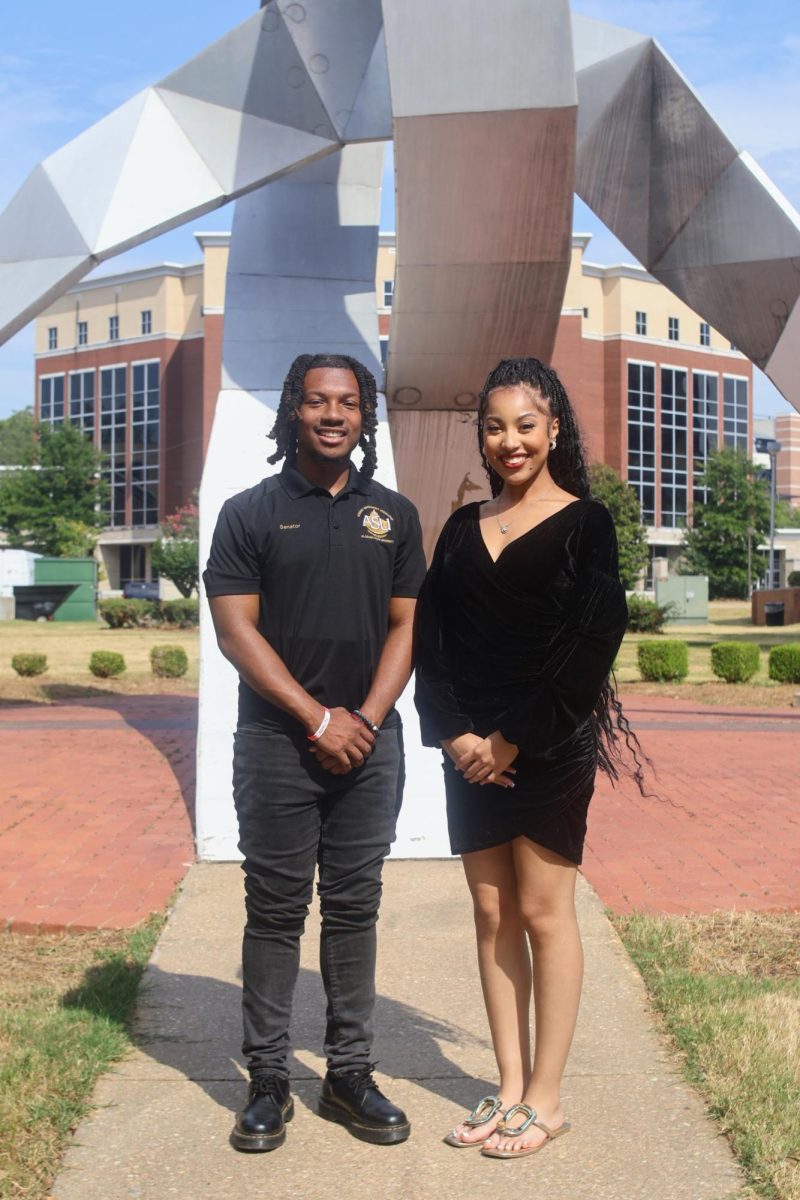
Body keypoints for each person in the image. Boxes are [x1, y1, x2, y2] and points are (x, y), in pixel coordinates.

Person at [414, 357, 643, 1161]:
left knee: (545, 914)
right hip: (468, 751)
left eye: (525, 424)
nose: (509, 441)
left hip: (545, 748)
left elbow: (590, 646)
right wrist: (457, 736)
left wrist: (509, 739)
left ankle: (546, 1100)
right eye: (494, 425)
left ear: (553, 430)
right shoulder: (459, 526)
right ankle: (509, 1086)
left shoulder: (587, 523)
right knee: (490, 915)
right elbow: (431, 642)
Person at [204, 353, 426, 1152]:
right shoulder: (249, 512)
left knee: (354, 905)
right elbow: (237, 632)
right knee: (274, 909)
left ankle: (349, 1073)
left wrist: (361, 718)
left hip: (372, 744)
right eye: (317, 401)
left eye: (349, 403)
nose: (333, 414)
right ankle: (268, 1079)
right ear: (293, 411)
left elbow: (407, 626)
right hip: (274, 742)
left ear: (365, 417)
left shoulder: (395, 515)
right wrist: (314, 719)